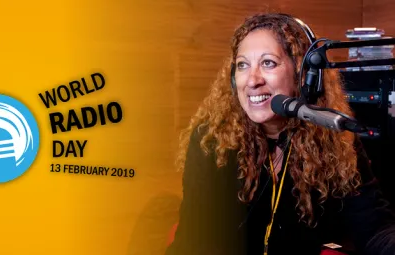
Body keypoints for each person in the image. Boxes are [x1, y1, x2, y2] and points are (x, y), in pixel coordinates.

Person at [165, 13, 395, 255]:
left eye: (268, 63)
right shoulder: (211, 141)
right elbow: (193, 240)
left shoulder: (334, 141)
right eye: (243, 65)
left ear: (301, 75)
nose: (252, 80)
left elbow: (374, 229)